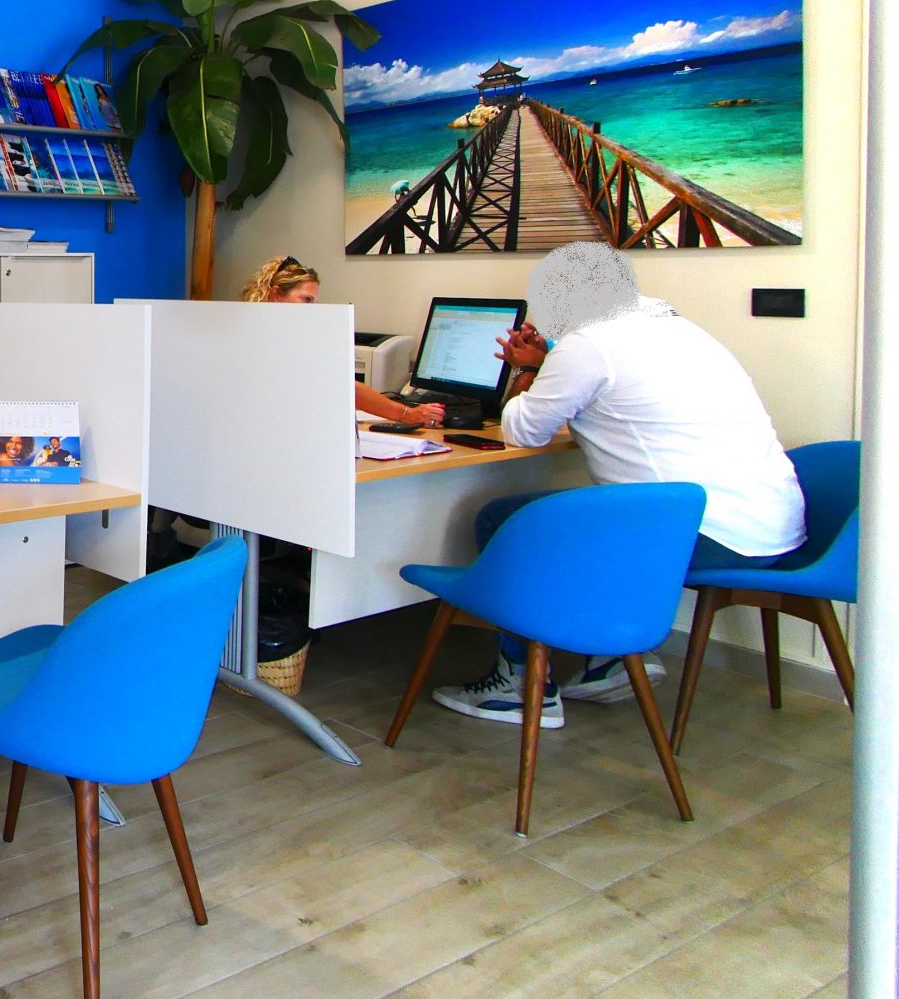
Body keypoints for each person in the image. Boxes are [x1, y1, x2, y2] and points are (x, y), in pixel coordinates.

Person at [430, 242, 807, 728]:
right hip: (771, 527)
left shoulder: (587, 344)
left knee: (506, 518)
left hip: (708, 534)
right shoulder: (683, 330)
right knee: (578, 520)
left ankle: (520, 687)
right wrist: (551, 361)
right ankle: (609, 661)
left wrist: (527, 369)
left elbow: (522, 431)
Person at [238, 255, 446, 428]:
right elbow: (343, 387)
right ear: (276, 294)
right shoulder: (265, 339)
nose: (313, 309)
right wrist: (407, 414)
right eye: (306, 299)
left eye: (315, 302)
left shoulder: (269, 331)